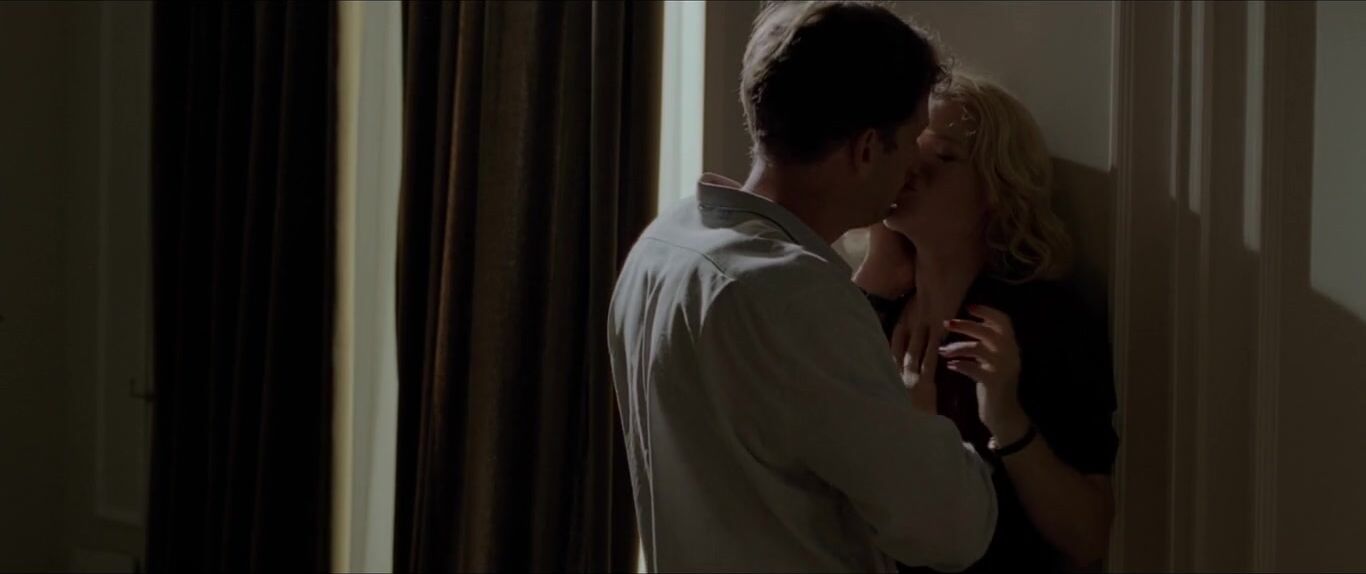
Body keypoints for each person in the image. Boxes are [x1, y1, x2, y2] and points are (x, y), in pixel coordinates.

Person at [606, 2, 998, 572]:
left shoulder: (662, 245)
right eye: (912, 140)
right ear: (867, 149)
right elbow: (951, 530)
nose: (914, 166)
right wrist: (919, 421)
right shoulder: (793, 295)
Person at [854, 73, 1120, 572]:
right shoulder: (875, 306)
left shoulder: (1043, 320)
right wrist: (874, 264)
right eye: (909, 148)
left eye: (944, 156)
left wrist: (1005, 417)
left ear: (997, 188)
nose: (913, 168)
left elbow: (1087, 537)